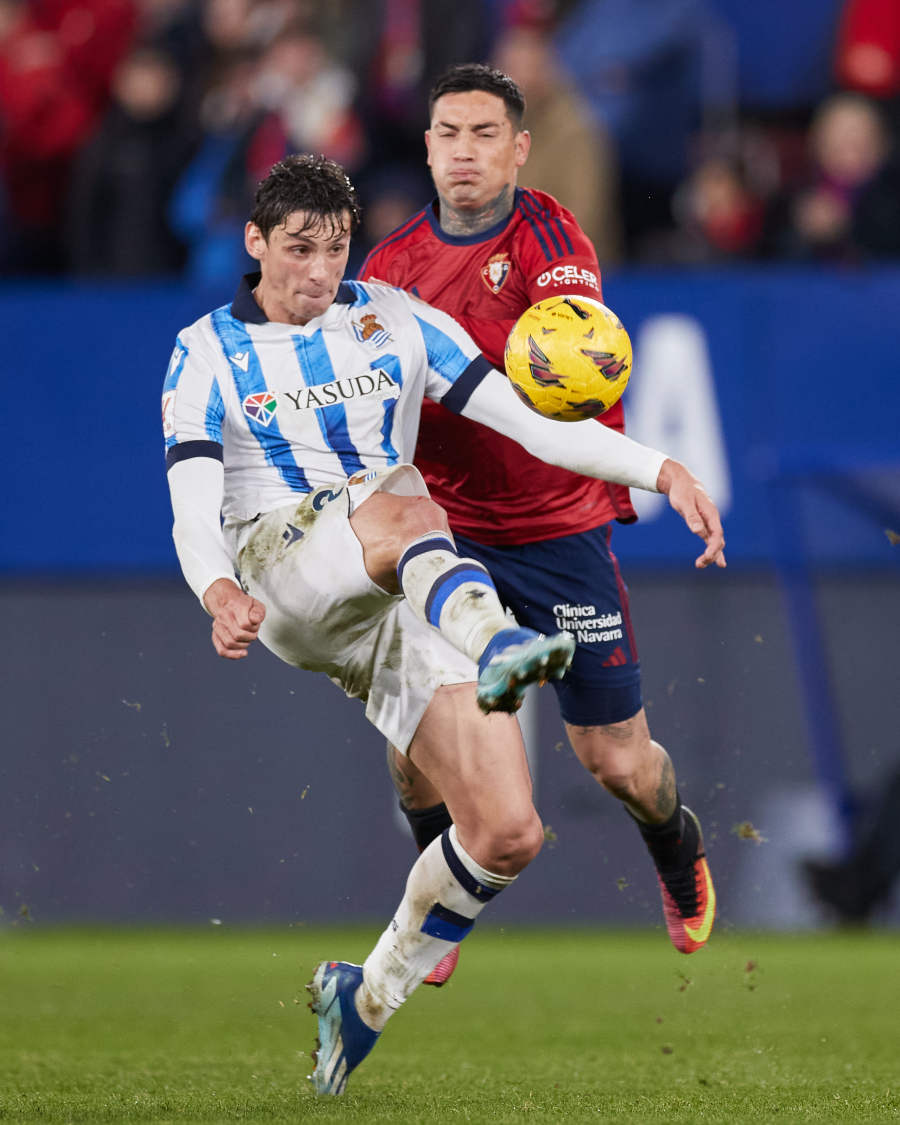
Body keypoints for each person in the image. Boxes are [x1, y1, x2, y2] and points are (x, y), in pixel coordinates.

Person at [162, 153, 725, 1095]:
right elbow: (191, 496)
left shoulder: (394, 321)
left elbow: (532, 423)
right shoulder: (205, 350)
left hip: (398, 592)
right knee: (411, 497)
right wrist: (216, 588)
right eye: (298, 250)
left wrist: (658, 467)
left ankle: (367, 993)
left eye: (336, 249)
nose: (319, 272)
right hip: (285, 574)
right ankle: (500, 643)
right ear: (255, 243)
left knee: (508, 831)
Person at [359, 63, 720, 989]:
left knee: (617, 761)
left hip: (559, 530)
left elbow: (572, 332)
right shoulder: (388, 272)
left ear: (519, 148)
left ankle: (675, 846)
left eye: (486, 134)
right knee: (414, 761)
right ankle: (441, 901)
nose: (465, 152)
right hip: (450, 533)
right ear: (428, 145)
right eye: (449, 133)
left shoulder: (551, 237)